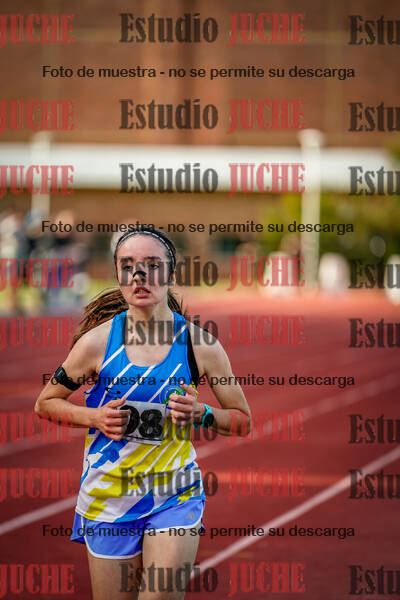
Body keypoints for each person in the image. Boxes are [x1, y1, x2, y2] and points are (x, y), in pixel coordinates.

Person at [35, 225, 251, 600]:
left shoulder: (200, 345)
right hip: (108, 496)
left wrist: (201, 412)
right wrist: (95, 417)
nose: (139, 275)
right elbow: (45, 402)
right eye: (128, 265)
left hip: (174, 493)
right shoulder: (96, 343)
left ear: (171, 273)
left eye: (151, 265)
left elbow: (242, 420)